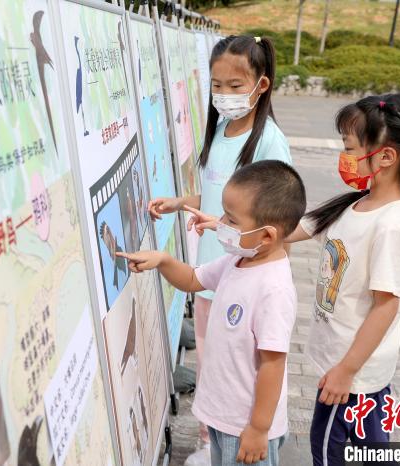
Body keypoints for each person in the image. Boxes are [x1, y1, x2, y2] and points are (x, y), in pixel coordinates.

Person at [147, 35, 292, 463]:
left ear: (261, 85)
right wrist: (181, 202)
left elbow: (280, 217)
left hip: (242, 276)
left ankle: (244, 437)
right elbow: (217, 197)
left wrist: (231, 234)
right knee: (213, 362)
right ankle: (213, 444)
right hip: (214, 273)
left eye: (234, 85)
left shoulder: (269, 143)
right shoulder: (222, 129)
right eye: (217, 85)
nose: (224, 95)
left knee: (241, 366)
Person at [121, 160, 306, 466]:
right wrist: (163, 261)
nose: (220, 223)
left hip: (246, 427)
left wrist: (259, 429)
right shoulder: (238, 261)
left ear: (267, 236)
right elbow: (194, 279)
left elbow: (273, 364)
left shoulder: (274, 289)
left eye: (231, 220)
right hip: (223, 416)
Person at [285, 94, 400, 465]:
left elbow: (386, 308)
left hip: (349, 374)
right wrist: (237, 227)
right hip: (354, 370)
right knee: (369, 447)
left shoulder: (391, 227)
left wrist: (345, 371)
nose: (345, 156)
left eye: (350, 147)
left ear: (386, 157)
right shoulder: (356, 204)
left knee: (327, 450)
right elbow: (295, 228)